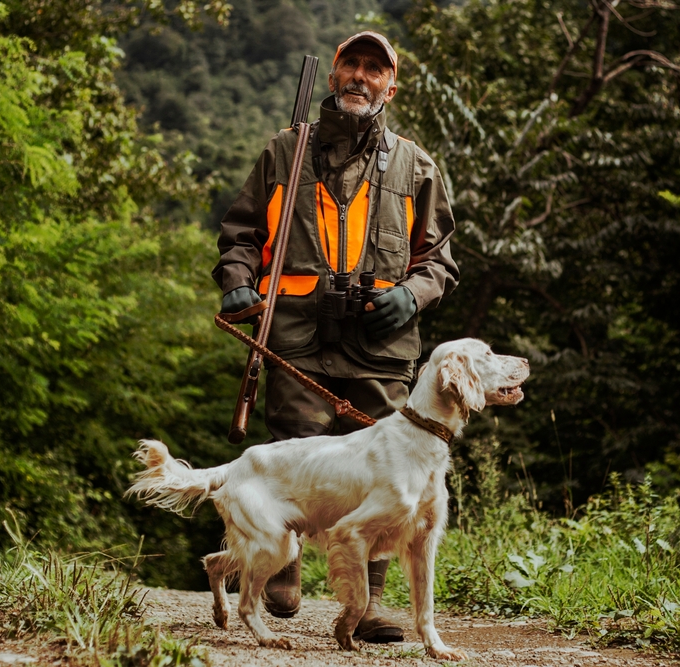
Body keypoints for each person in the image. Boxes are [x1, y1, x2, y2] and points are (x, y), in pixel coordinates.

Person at [212, 31, 460, 643]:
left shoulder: (415, 164)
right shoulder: (283, 152)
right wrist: (237, 280)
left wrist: (411, 294)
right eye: (351, 64)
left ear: (390, 87)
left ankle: (368, 604)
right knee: (295, 447)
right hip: (294, 333)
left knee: (387, 477)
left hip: (381, 345)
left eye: (374, 69)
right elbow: (239, 235)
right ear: (333, 77)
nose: (360, 76)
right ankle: (283, 562)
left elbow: (440, 261)